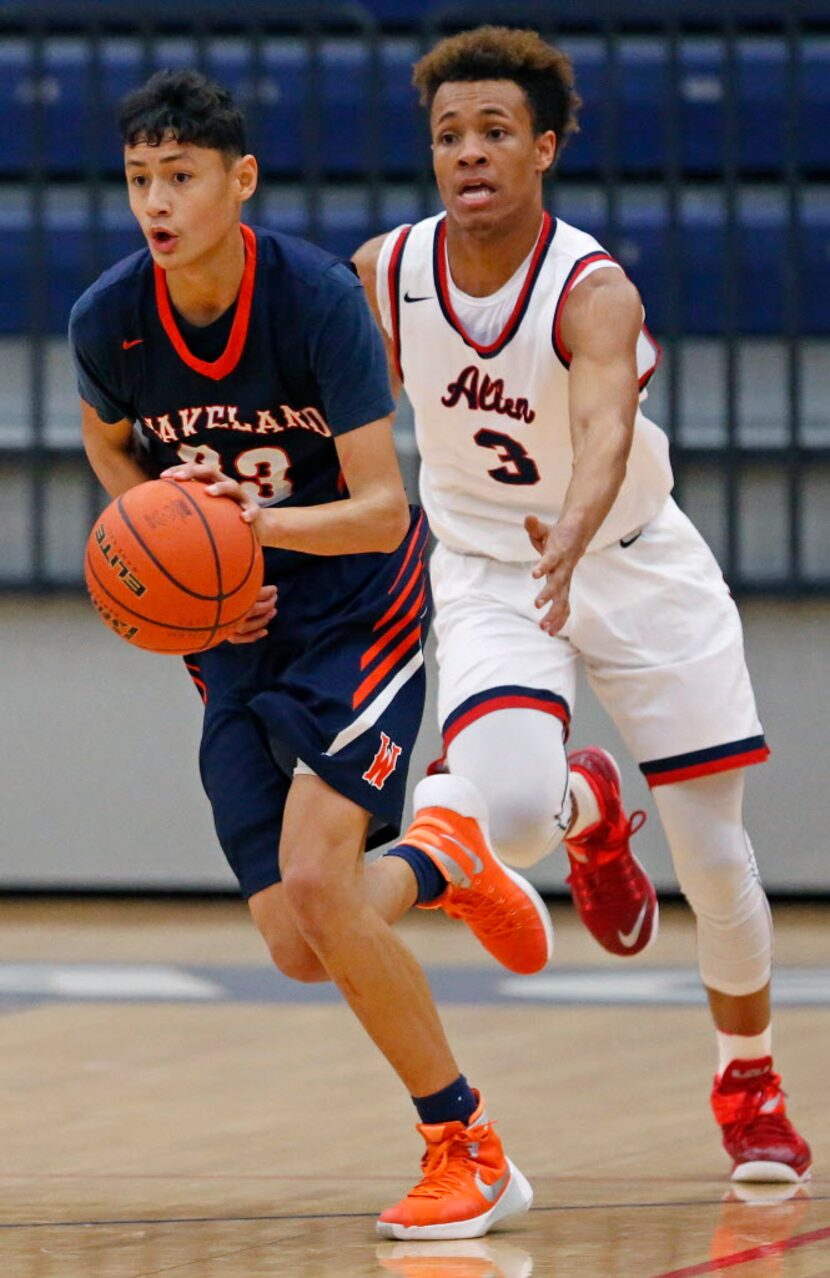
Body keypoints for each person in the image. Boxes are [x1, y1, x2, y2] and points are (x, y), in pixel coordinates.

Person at [69, 68, 556, 1241]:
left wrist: (246, 534)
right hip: (231, 638)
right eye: (141, 179)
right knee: (299, 938)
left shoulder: (314, 301)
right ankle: (442, 854)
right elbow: (105, 445)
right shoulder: (108, 320)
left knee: (317, 878)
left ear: (237, 181)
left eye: (180, 177)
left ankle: (467, 1146)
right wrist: (165, 532)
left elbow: (386, 508)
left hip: (355, 608)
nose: (157, 201)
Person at [355, 25, 811, 1186]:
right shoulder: (386, 272)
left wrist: (574, 520)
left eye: (494, 131)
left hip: (630, 554)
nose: (468, 153)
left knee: (713, 860)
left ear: (543, 147)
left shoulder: (590, 287)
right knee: (502, 815)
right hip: (489, 565)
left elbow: (605, 424)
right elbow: (334, 408)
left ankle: (746, 1075)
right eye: (448, 134)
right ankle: (582, 805)